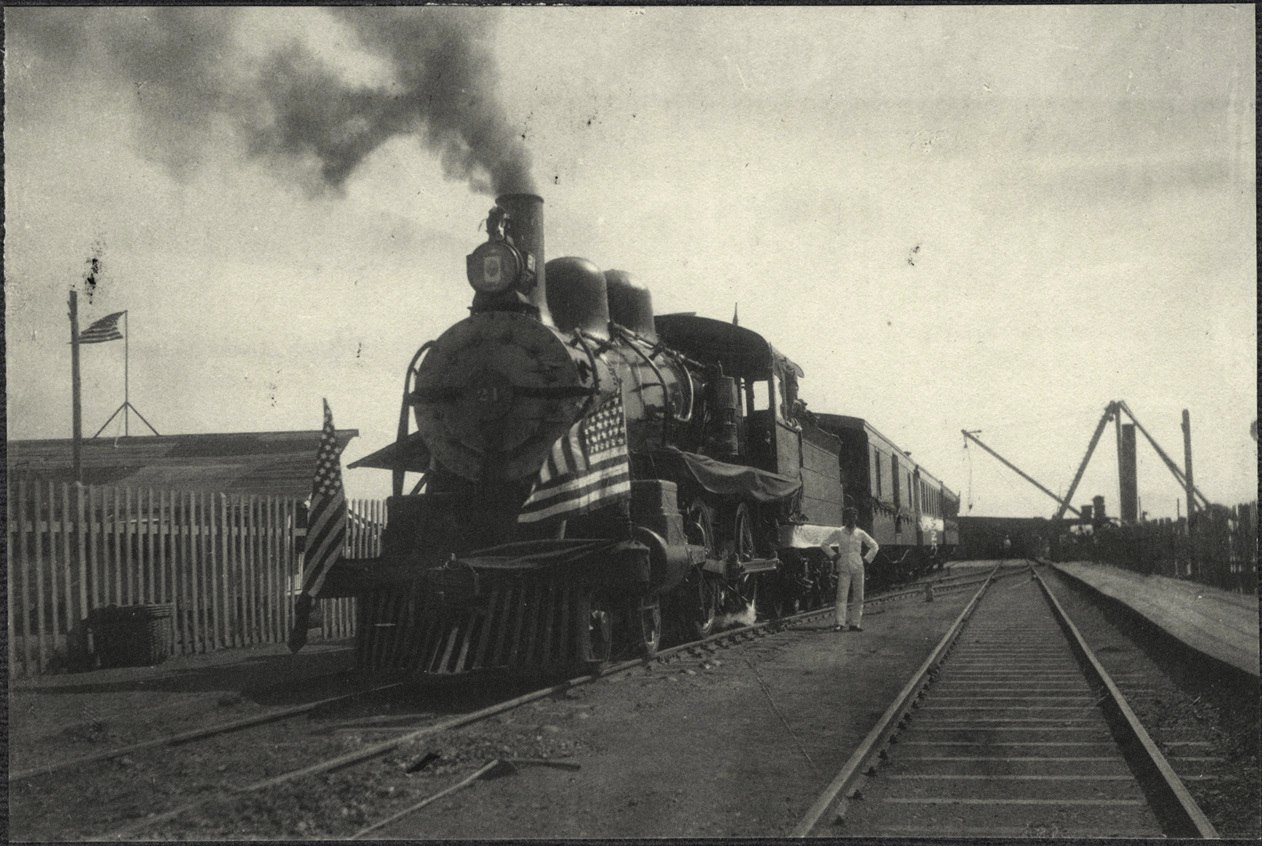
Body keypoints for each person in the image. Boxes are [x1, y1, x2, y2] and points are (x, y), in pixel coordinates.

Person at [822, 507, 879, 632]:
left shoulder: (860, 533)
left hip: (858, 566)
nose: (851, 520)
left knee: (859, 596)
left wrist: (867, 559)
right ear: (845, 518)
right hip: (843, 566)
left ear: (856, 518)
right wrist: (833, 555)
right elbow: (824, 544)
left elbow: (874, 546)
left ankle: (855, 623)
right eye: (848, 517)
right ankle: (839, 623)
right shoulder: (839, 532)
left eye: (853, 517)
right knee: (841, 595)